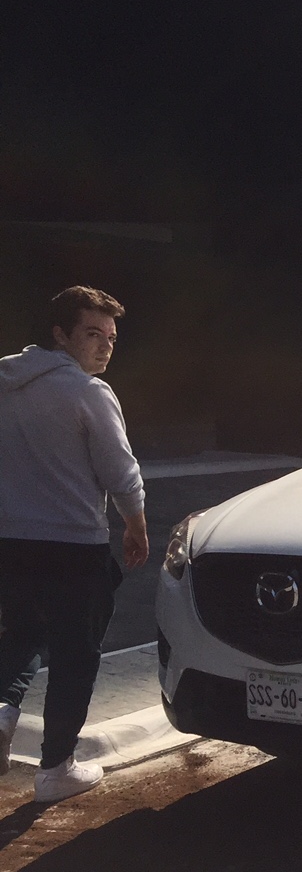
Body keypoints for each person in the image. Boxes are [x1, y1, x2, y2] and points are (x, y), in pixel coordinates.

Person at [0, 286, 148, 800]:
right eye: (93, 334)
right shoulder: (88, 392)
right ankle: (55, 769)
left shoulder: (4, 379)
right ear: (60, 334)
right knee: (75, 654)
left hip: (10, 541)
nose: (105, 346)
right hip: (73, 547)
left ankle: (1, 711)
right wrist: (136, 526)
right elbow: (120, 472)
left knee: (19, 635)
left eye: (110, 337)